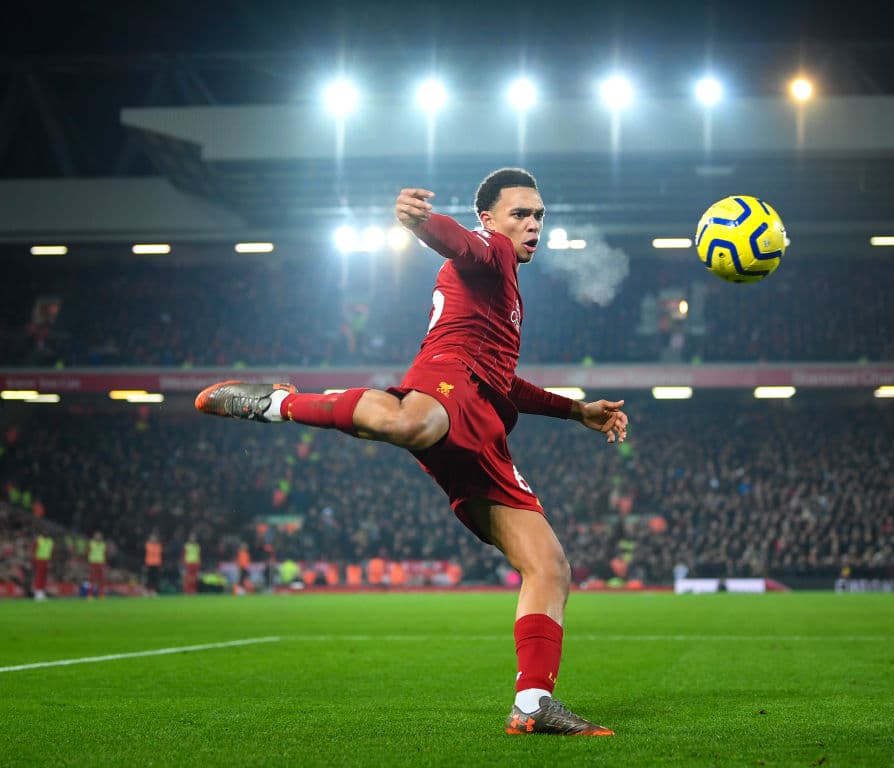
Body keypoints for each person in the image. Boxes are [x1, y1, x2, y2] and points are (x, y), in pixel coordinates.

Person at [195, 168, 627, 736]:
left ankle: (532, 703)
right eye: (520, 213)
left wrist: (575, 410)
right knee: (410, 422)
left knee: (549, 566)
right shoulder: (491, 251)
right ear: (491, 220)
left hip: (485, 423)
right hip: (451, 382)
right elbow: (459, 243)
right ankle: (282, 403)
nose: (532, 224)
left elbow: (507, 384)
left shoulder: (506, 289)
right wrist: (425, 224)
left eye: (539, 214)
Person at [32, 529, 54, 601]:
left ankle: (42, 592)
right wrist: (34, 561)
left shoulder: (50, 541)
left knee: (44, 577)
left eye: (47, 532)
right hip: (39, 560)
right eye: (45, 532)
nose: (46, 533)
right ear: (42, 533)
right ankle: (37, 593)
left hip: (46, 561)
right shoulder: (38, 540)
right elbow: (34, 551)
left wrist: (50, 561)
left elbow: (52, 552)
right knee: (39, 577)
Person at [87, 531, 106, 598]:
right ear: (94, 536)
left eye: (99, 536)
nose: (98, 537)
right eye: (96, 536)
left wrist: (104, 562)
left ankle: (101, 594)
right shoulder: (91, 543)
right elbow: (88, 552)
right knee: (92, 579)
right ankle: (90, 594)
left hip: (101, 563)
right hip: (93, 563)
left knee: (101, 580)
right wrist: (88, 561)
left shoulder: (103, 544)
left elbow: (104, 554)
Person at [144, 530, 162, 597]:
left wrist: (160, 564)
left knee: (155, 578)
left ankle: (154, 591)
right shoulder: (147, 545)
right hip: (149, 564)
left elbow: (160, 555)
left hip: (156, 564)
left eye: (154, 538)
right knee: (149, 578)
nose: (153, 539)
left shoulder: (159, 545)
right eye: (152, 537)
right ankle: (147, 591)